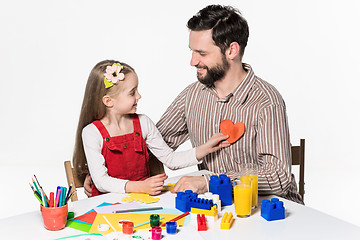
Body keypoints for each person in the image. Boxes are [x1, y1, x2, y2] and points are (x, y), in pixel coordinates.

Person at [84, 5, 303, 204]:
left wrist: (211, 182)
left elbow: (278, 178)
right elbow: (146, 146)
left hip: (272, 208)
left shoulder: (266, 101)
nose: (192, 61)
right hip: (217, 208)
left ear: (231, 51)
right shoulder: (192, 96)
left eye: (202, 53)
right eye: (192, 51)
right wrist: (101, 173)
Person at [73, 60, 230, 196]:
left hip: (144, 202)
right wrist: (140, 187)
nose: (139, 96)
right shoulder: (91, 133)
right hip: (107, 206)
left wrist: (206, 149)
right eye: (132, 93)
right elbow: (101, 182)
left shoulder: (143, 123)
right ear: (108, 101)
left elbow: (171, 160)